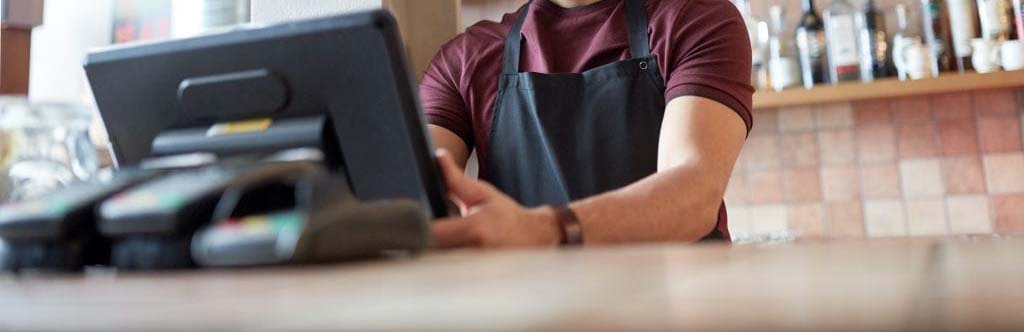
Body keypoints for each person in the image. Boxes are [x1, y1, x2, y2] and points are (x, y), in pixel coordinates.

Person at [420, 0, 753, 248]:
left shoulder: (695, 19)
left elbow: (693, 191)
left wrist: (544, 231)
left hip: (682, 308)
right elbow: (410, 193)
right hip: (532, 312)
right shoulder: (463, 60)